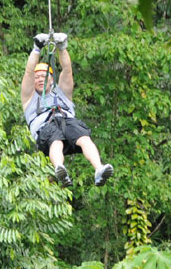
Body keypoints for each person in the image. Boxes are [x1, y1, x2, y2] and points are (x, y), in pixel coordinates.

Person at [21, 31, 114, 187]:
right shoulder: (30, 98)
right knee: (56, 142)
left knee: (84, 139)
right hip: (46, 127)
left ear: (51, 79)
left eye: (43, 76)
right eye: (37, 77)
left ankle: (98, 168)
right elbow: (29, 72)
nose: (39, 79)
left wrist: (62, 48)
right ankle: (59, 168)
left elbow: (67, 69)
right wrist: (37, 49)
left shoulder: (62, 92)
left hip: (67, 121)